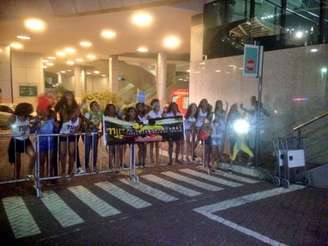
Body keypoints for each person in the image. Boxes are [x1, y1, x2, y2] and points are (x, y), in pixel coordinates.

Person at [55, 91, 81, 178]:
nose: (69, 98)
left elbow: (77, 120)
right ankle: (63, 171)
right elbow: (66, 119)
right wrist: (74, 113)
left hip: (72, 133)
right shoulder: (62, 106)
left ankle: (70, 171)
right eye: (67, 96)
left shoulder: (76, 107)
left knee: (72, 153)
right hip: (63, 132)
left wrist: (77, 128)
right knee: (62, 153)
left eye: (70, 96)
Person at [7, 103, 35, 179]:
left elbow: (32, 128)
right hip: (16, 140)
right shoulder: (13, 117)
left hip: (26, 140)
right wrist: (11, 125)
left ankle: (29, 174)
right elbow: (7, 125)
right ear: (23, 110)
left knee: (33, 155)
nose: (30, 112)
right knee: (17, 161)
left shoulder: (29, 117)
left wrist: (33, 125)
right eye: (28, 110)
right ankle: (17, 178)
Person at [83, 101, 102, 172]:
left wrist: (100, 131)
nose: (95, 107)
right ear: (91, 107)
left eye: (96, 105)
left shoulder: (100, 114)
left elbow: (101, 123)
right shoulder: (88, 114)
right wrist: (87, 129)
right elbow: (84, 123)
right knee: (87, 149)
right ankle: (86, 166)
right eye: (94, 106)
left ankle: (94, 165)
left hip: (95, 133)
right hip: (88, 133)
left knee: (95, 150)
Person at [147, 99, 163, 165]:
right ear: (153, 106)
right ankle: (151, 159)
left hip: (158, 130)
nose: (157, 106)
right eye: (155, 105)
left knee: (157, 145)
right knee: (151, 145)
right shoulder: (150, 113)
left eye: (158, 105)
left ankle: (157, 158)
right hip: (152, 130)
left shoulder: (160, 112)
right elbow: (149, 121)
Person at [104, 103, 119, 170]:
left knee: (116, 151)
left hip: (117, 135)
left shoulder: (117, 116)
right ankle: (110, 166)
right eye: (110, 109)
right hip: (109, 136)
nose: (111, 110)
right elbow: (105, 127)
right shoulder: (106, 118)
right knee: (111, 150)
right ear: (107, 110)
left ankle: (116, 166)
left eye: (113, 108)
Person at [211, 103, 226, 169]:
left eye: (221, 104)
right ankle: (212, 165)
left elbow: (223, 128)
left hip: (220, 136)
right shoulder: (213, 116)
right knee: (214, 152)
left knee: (219, 152)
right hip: (214, 136)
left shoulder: (223, 118)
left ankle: (218, 164)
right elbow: (210, 125)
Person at [136, 102, 148, 168]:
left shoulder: (146, 115)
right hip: (138, 133)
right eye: (139, 106)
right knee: (140, 147)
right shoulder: (136, 116)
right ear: (137, 108)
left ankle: (144, 162)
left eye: (142, 106)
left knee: (145, 147)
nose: (140, 108)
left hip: (145, 133)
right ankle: (140, 161)